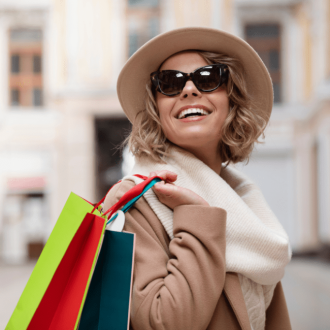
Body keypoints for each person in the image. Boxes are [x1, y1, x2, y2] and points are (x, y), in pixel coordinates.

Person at [103, 27, 292, 330]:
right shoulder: (135, 202)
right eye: (170, 83)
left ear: (232, 100)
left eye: (208, 78)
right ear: (157, 110)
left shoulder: (249, 210)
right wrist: (197, 218)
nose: (189, 90)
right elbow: (162, 323)